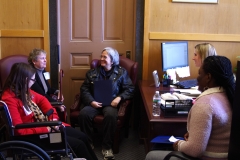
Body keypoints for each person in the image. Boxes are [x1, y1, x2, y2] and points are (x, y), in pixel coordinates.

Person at [1, 62, 98, 160]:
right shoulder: (9, 99)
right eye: (33, 80)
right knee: (78, 145)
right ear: (25, 80)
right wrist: (47, 128)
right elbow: (18, 130)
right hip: (33, 136)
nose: (33, 82)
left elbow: (42, 99)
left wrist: (53, 119)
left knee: (82, 137)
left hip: (44, 127)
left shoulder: (25, 91)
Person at [145, 56, 235, 160]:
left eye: (199, 73)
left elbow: (195, 150)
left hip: (208, 157)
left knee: (151, 156)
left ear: (208, 77)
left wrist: (178, 144)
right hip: (225, 155)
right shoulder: (229, 95)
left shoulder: (205, 104)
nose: (197, 78)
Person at [78, 47, 135, 160]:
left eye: (105, 57)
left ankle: (107, 147)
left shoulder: (121, 73)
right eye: (101, 56)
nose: (101, 59)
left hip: (110, 104)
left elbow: (130, 89)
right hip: (95, 102)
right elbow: (84, 89)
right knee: (83, 114)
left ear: (112, 60)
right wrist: (91, 101)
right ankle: (88, 143)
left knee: (110, 115)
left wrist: (119, 98)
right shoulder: (92, 72)